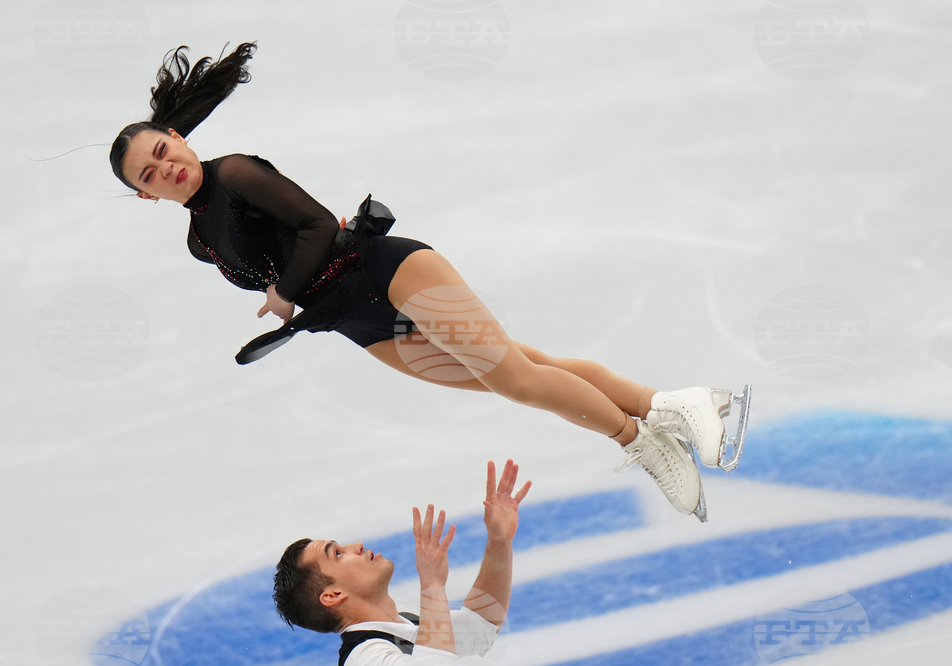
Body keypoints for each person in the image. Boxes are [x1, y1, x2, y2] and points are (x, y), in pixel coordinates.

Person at [108, 42, 752, 521]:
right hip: (353, 321)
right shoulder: (199, 241)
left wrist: (283, 294)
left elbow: (311, 225)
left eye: (161, 152)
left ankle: (645, 437)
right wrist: (296, 297)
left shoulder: (236, 172)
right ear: (144, 196)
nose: (164, 169)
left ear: (176, 137)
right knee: (521, 366)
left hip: (388, 272)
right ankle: (677, 405)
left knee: (516, 380)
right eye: (148, 175)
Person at [273, 460, 532, 665]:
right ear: (333, 594)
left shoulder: (409, 619)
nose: (357, 546)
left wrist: (499, 542)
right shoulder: (364, 657)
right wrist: (432, 583)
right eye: (338, 554)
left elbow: (481, 627)